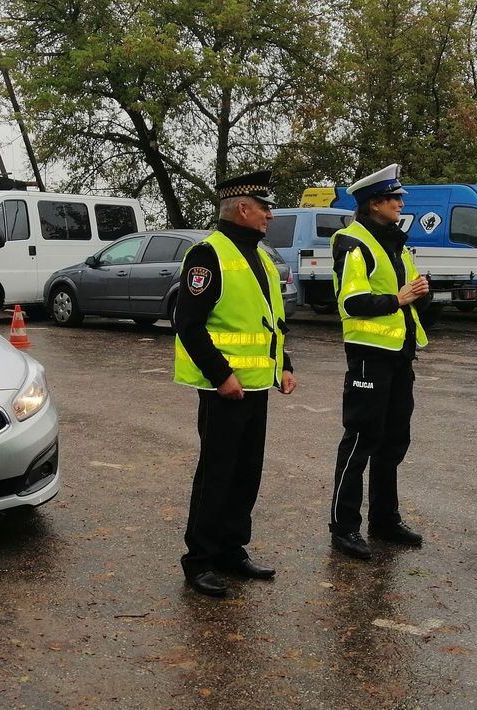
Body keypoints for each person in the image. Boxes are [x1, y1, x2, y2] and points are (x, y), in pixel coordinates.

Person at [174, 169, 297, 598]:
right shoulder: (208, 254)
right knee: (217, 473)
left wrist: (284, 363)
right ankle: (200, 559)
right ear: (242, 208)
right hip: (224, 387)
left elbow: (271, 320)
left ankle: (232, 549)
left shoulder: (260, 256)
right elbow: (188, 324)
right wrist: (220, 375)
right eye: (264, 207)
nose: (269, 214)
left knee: (247, 472)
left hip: (257, 384)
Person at [328, 163, 430, 561]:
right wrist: (400, 299)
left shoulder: (395, 243)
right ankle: (344, 526)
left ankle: (385, 520)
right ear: (375, 204)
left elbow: (408, 291)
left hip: (400, 354)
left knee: (393, 441)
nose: (401, 203)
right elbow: (352, 303)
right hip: (370, 356)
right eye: (395, 198)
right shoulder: (353, 242)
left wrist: (419, 292)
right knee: (360, 441)